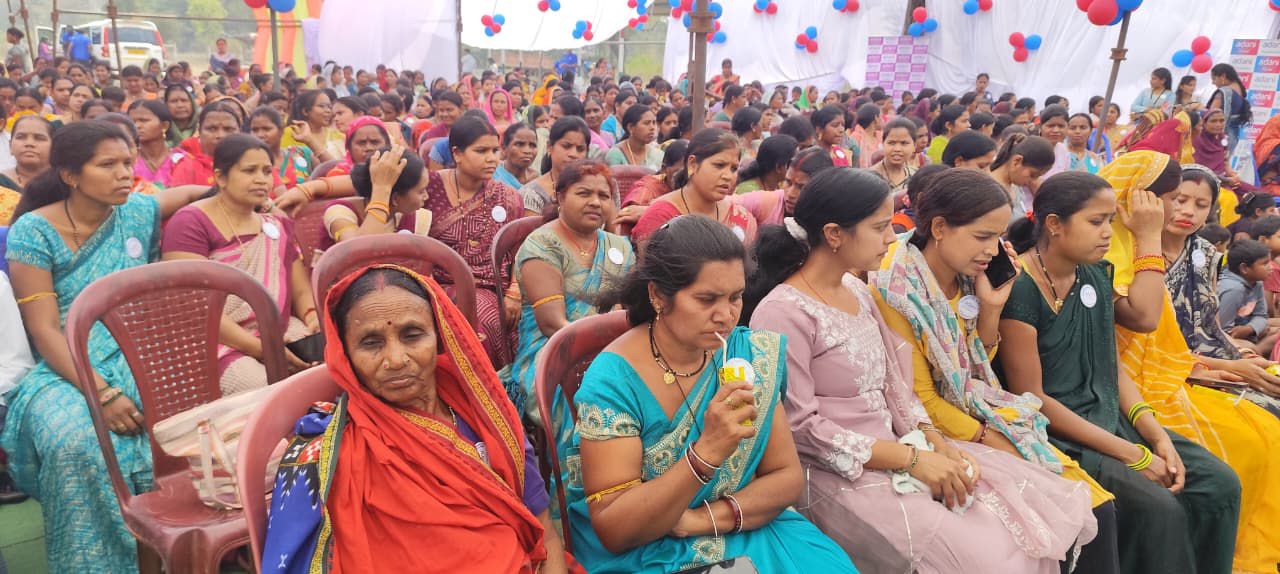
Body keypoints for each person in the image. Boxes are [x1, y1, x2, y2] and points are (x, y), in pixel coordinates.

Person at [747, 168, 1099, 572]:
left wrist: (935, 442)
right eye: (879, 227)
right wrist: (912, 459)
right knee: (987, 558)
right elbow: (799, 428)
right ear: (834, 234)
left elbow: (896, 386)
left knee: (1019, 520)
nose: (890, 238)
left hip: (901, 445)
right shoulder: (783, 312)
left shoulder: (857, 290)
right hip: (836, 472)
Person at [560, 214, 856, 573]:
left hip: (739, 523)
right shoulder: (614, 381)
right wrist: (706, 453)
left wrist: (702, 520)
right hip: (648, 550)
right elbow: (616, 528)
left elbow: (785, 477)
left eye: (735, 297)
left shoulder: (749, 356)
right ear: (657, 295)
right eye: (706, 299)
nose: (726, 316)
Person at [996, 170, 1244, 574]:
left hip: (1112, 420)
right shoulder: (1021, 288)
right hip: (1060, 434)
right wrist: (1135, 455)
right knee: (1158, 508)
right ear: (1054, 224)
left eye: (1110, 221)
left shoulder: (1094, 274)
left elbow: (1112, 366)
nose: (1108, 233)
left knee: (1219, 484)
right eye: (1096, 221)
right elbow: (1034, 399)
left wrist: (1156, 436)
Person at [871, 168, 1119, 570]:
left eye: (998, 238)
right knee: (1071, 512)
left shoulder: (970, 279)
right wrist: (990, 437)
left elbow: (978, 364)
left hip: (979, 413)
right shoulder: (897, 292)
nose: (992, 250)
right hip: (934, 431)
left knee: (1095, 505)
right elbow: (921, 399)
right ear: (939, 228)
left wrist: (991, 307)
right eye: (982, 237)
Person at [261, 265, 575, 573]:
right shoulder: (331, 455)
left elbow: (545, 534)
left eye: (412, 336)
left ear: (439, 337)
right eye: (371, 343)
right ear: (345, 353)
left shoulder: (490, 419)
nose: (396, 360)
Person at [3, 122, 206, 572]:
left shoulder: (136, 212)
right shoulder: (33, 232)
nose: (124, 173)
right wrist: (102, 393)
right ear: (71, 175)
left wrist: (268, 195)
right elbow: (45, 331)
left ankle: (168, 554)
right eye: (107, 164)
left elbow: (193, 193)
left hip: (140, 350)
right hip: (67, 361)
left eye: (127, 162)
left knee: (175, 424)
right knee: (73, 441)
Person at [1097, 151, 1280, 573]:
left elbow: (1207, 326)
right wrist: (1229, 368)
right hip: (1175, 371)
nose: (1186, 211)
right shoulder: (1123, 255)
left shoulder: (1205, 253)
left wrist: (1241, 356)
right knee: (1261, 429)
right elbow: (1151, 335)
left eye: (1200, 204)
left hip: (1199, 358)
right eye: (1177, 199)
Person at [161, 134, 319, 391]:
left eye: (266, 171)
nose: (261, 179)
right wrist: (262, 349)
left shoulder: (276, 224)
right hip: (215, 339)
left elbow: (300, 290)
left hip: (276, 329)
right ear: (221, 177)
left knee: (325, 364)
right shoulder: (191, 222)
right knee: (262, 387)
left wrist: (312, 319)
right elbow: (194, 307)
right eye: (249, 170)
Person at [500, 159, 634, 417]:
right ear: (560, 197)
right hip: (553, 352)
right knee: (600, 394)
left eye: (603, 196)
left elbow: (629, 309)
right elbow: (552, 324)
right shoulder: (543, 245)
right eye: (584, 193)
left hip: (613, 347)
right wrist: (606, 358)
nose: (595, 202)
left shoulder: (619, 246)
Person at [422, 115, 523, 359]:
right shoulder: (428, 187)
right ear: (457, 153)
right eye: (481, 151)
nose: (492, 158)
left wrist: (515, 292)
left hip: (492, 286)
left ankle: (493, 380)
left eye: (495, 150)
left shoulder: (508, 196)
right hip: (436, 285)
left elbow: (519, 248)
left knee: (491, 320)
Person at [631, 129, 757, 246]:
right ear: (692, 164)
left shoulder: (740, 218)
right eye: (719, 165)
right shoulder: (660, 217)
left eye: (734, 169)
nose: (728, 176)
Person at [323, 146, 431, 246]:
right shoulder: (340, 212)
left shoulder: (415, 218)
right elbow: (358, 250)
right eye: (421, 191)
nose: (426, 196)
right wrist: (382, 188)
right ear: (395, 199)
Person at [1217, 239, 1279, 357]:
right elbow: (1223, 331)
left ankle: (1257, 354)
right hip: (1224, 340)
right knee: (1252, 347)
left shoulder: (1257, 283)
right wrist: (1254, 330)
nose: (1271, 267)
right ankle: (1255, 356)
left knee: (1277, 335)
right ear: (1244, 268)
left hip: (1248, 332)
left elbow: (1261, 315)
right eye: (1265, 264)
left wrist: (1250, 328)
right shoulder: (1233, 290)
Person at [519, 116, 591, 217]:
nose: (573, 154)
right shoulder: (532, 194)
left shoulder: (597, 188)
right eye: (566, 146)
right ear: (549, 147)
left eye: (580, 149)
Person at [167, 102, 242, 187]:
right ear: (199, 131)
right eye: (212, 129)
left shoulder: (249, 162)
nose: (220, 135)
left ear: (240, 131)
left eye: (228, 129)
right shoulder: (186, 166)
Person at [989, 133, 1055, 217]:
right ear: (1016, 161)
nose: (1033, 180)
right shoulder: (990, 192)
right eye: (1032, 175)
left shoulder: (1015, 186)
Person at [248, 106, 315, 188]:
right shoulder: (248, 163)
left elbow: (329, 169)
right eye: (255, 130)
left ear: (281, 130)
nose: (260, 135)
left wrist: (310, 141)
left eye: (266, 129)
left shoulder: (300, 153)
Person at [127, 100, 178, 188]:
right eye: (132, 122)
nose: (137, 126)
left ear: (164, 126)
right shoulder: (128, 160)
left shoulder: (180, 160)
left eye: (143, 120)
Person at [280, 90, 343, 162]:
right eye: (322, 106)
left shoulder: (337, 135)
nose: (328, 110)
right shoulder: (292, 132)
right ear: (305, 111)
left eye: (329, 107)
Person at [0, 115, 53, 191]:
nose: (29, 143)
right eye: (21, 137)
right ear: (10, 146)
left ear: (54, 146)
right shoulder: (2, 182)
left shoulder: (65, 183)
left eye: (39, 138)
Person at [1209, 63, 1251, 156]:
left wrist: (1197, 108)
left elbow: (1211, 114)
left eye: (1214, 79)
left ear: (1223, 76)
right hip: (1233, 137)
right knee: (1223, 162)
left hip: (1220, 136)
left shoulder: (1225, 92)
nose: (1213, 83)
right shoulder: (1239, 91)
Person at [870, 118, 919, 196]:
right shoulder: (869, 178)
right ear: (883, 144)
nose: (897, 149)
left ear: (914, 146)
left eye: (904, 143)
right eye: (891, 143)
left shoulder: (916, 176)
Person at [605, 104, 662, 169]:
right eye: (646, 123)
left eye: (654, 123)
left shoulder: (657, 154)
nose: (652, 127)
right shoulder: (615, 154)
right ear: (630, 127)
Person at [494, 123, 539, 189]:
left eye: (532, 145)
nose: (527, 151)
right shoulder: (493, 176)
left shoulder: (537, 179)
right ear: (504, 148)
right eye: (519, 144)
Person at [163, 84, 198, 148]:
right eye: (174, 101)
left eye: (184, 100)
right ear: (166, 105)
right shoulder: (160, 131)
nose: (180, 105)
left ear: (192, 103)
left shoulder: (202, 127)